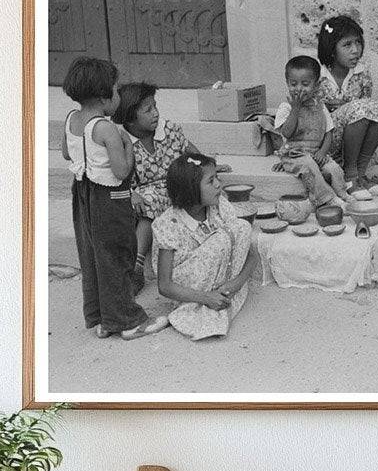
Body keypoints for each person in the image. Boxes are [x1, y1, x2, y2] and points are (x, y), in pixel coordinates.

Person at [60, 57, 167, 340]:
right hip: (110, 196)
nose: (119, 95)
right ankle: (128, 321)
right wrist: (127, 146)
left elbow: (67, 153)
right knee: (117, 256)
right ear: (104, 97)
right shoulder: (106, 128)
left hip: (82, 193)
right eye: (117, 90)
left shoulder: (72, 119)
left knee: (92, 255)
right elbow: (121, 172)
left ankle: (102, 318)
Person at [113, 82, 231, 287]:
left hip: (174, 184)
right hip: (145, 194)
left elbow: (191, 154)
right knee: (147, 204)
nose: (155, 113)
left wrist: (211, 167)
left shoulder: (169, 130)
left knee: (207, 193)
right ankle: (137, 267)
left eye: (155, 106)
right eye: (148, 110)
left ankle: (213, 237)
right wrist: (131, 193)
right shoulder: (122, 141)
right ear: (130, 117)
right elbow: (117, 175)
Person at [152, 154, 257, 340]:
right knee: (223, 239)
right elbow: (164, 286)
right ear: (190, 190)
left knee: (242, 227)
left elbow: (252, 254)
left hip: (225, 283)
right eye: (211, 181)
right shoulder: (169, 224)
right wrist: (207, 298)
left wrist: (236, 284)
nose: (218, 184)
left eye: (217, 177)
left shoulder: (219, 207)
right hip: (188, 287)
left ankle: (221, 294)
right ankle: (204, 301)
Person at [266, 56, 350, 208]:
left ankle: (343, 193)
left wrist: (323, 152)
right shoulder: (286, 107)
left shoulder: (320, 106)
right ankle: (326, 198)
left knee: (333, 168)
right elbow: (287, 133)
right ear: (287, 84)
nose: (298, 88)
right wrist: (295, 108)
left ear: (316, 85)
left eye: (305, 84)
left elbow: (328, 132)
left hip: (316, 152)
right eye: (293, 84)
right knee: (309, 166)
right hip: (294, 154)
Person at [316, 15, 378, 189]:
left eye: (358, 42)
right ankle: (350, 176)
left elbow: (368, 114)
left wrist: (348, 108)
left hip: (351, 145)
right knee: (359, 107)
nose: (355, 50)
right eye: (347, 45)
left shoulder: (362, 75)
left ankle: (360, 174)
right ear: (332, 49)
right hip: (323, 144)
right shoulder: (317, 76)